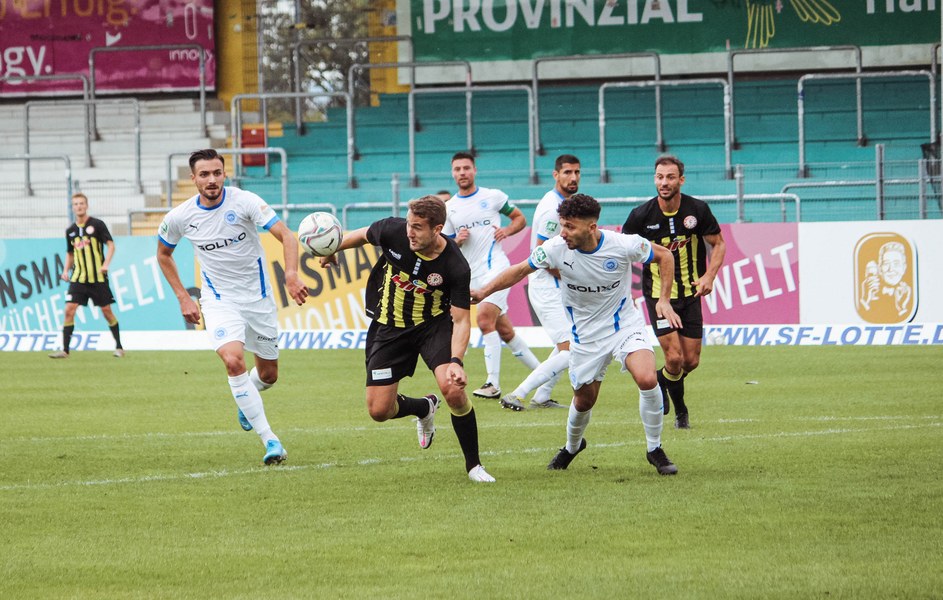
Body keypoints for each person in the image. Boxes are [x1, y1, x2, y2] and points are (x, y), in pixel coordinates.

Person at [471, 194, 682, 476]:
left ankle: (654, 448)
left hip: (624, 327)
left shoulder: (623, 244)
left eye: (570, 226)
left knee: (646, 378)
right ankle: (572, 446)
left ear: (591, 227)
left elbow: (665, 255)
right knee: (583, 401)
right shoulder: (555, 248)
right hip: (584, 336)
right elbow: (519, 270)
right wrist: (484, 292)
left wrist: (664, 300)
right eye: (562, 225)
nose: (563, 232)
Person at [319, 195, 495, 483]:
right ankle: (424, 407)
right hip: (388, 327)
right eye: (409, 224)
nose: (409, 232)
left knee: (452, 389)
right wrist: (332, 248)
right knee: (379, 411)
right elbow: (362, 234)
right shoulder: (393, 230)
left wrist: (456, 361)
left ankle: (474, 466)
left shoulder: (456, 266)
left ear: (437, 229)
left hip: (432, 327)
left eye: (417, 227)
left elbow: (462, 320)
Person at [156, 149, 308, 465]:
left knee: (268, 375)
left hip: (259, 300)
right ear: (193, 178)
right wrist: (183, 296)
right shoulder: (180, 217)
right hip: (219, 301)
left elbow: (286, 236)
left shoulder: (245, 201)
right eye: (204, 174)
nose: (211, 180)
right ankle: (271, 440)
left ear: (224, 174)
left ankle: (247, 395)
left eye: (217, 173)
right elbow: (163, 254)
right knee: (233, 360)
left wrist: (291, 274)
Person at [622, 155, 725, 430]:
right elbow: (622, 253)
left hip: (691, 294)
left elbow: (718, 243)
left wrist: (709, 276)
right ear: (654, 179)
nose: (664, 182)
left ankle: (661, 380)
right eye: (659, 177)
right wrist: (623, 292)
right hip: (658, 297)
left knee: (690, 361)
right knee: (675, 358)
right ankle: (681, 412)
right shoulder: (640, 216)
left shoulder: (697, 210)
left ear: (681, 179)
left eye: (670, 177)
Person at [444, 151, 540, 400]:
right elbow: (445, 244)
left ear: (474, 170)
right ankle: (544, 374)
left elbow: (519, 218)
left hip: (496, 268)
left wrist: (507, 230)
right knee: (505, 331)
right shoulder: (449, 208)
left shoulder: (492, 196)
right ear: (452, 173)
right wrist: (457, 240)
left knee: (484, 319)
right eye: (457, 169)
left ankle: (492, 384)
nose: (462, 173)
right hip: (471, 275)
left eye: (466, 168)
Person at [499, 154, 582, 411]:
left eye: (577, 172)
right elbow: (541, 254)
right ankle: (518, 394)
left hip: (556, 285)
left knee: (571, 343)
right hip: (547, 286)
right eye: (567, 172)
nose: (573, 177)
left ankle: (542, 395)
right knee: (571, 348)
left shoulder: (563, 204)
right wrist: (572, 277)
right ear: (555, 175)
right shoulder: (552, 209)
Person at [49, 193, 125, 359]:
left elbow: (111, 245)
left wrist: (106, 264)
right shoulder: (70, 231)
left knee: (107, 311)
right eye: (76, 204)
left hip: (97, 278)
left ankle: (119, 347)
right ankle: (65, 350)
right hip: (78, 278)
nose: (79, 206)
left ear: (87, 205)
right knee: (69, 310)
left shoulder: (97, 225)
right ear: (72, 207)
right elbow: (70, 253)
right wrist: (65, 270)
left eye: (81, 203)